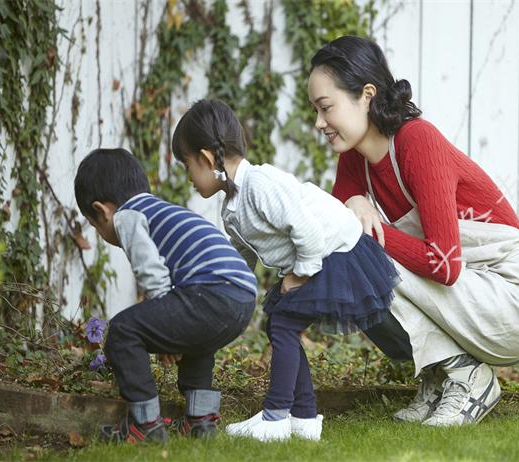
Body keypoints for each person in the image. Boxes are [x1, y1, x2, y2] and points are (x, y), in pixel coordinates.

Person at [307, 35, 519, 426]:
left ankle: (468, 376)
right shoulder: (355, 155)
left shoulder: (417, 140)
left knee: (358, 251)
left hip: (507, 297)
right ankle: (442, 374)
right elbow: (339, 212)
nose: (319, 123)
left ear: (366, 94)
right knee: (342, 253)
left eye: (325, 108)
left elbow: (445, 264)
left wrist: (371, 228)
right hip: (467, 293)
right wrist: (354, 201)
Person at [171, 99, 399, 441]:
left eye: (187, 165)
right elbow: (242, 255)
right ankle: (303, 418)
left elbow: (306, 230)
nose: (188, 177)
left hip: (336, 250)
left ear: (206, 159)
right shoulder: (232, 206)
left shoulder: (259, 184)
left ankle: (276, 416)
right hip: (318, 254)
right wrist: (229, 286)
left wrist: (301, 274)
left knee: (284, 323)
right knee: (279, 323)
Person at [74, 148, 257, 443]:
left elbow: (152, 272)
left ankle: (144, 423)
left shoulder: (126, 216)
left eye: (96, 226)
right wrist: (169, 329)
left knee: (122, 331)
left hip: (209, 291)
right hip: (242, 296)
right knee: (199, 340)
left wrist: (164, 319)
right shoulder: (163, 210)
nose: (101, 232)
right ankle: (201, 420)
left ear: (103, 210)